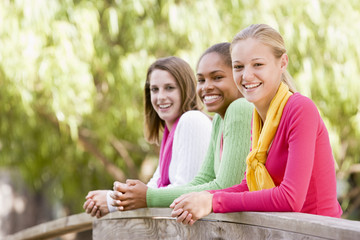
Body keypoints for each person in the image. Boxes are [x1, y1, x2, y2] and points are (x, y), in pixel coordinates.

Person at [171, 24, 343, 225]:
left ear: (283, 63)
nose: (246, 76)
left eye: (258, 64)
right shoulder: (259, 117)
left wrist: (213, 200)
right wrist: (199, 198)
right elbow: (248, 185)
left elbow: (290, 198)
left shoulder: (300, 109)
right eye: (238, 67)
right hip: (284, 231)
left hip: (318, 231)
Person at [110, 42, 253, 213]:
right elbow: (202, 179)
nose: (206, 86)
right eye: (201, 80)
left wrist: (149, 197)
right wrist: (140, 195)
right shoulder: (218, 120)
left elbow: (226, 186)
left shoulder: (240, 108)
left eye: (217, 77)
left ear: (239, 76)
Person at [83, 56, 212, 218]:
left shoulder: (192, 120)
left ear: (186, 89)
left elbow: (186, 190)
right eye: (154, 89)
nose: (160, 97)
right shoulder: (170, 135)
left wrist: (110, 201)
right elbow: (152, 188)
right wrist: (112, 198)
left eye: (170, 88)